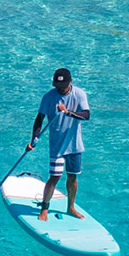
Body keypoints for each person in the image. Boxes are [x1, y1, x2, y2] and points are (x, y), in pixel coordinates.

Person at [25, 67, 90, 221]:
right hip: (57, 146)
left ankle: (71, 207)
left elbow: (86, 115)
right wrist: (34, 140)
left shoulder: (79, 94)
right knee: (54, 177)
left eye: (63, 86)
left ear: (70, 82)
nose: (60, 89)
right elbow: (39, 119)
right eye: (57, 86)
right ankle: (44, 208)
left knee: (72, 177)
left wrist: (68, 112)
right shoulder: (48, 97)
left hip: (74, 145)